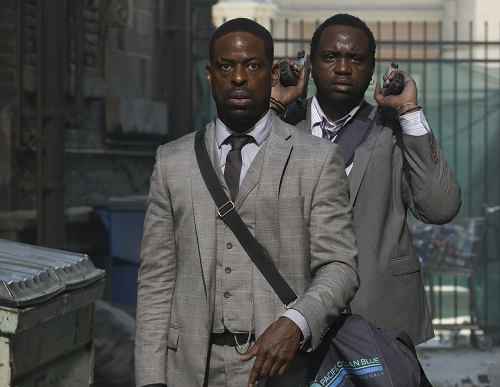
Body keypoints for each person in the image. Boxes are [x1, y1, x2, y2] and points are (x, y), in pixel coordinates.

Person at [134, 17, 359, 387]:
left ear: (271, 75)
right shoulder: (172, 161)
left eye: (252, 66)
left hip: (280, 369)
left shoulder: (317, 159)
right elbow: (157, 279)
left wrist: (296, 321)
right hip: (189, 368)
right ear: (210, 75)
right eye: (227, 66)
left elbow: (340, 265)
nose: (239, 77)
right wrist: (150, 379)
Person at [272, 13, 462, 345]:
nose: (343, 68)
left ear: (372, 69)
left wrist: (409, 113)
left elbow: (440, 208)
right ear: (309, 66)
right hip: (292, 318)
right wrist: (273, 105)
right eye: (331, 57)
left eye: (356, 59)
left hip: (380, 320)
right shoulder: (281, 129)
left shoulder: (393, 131)